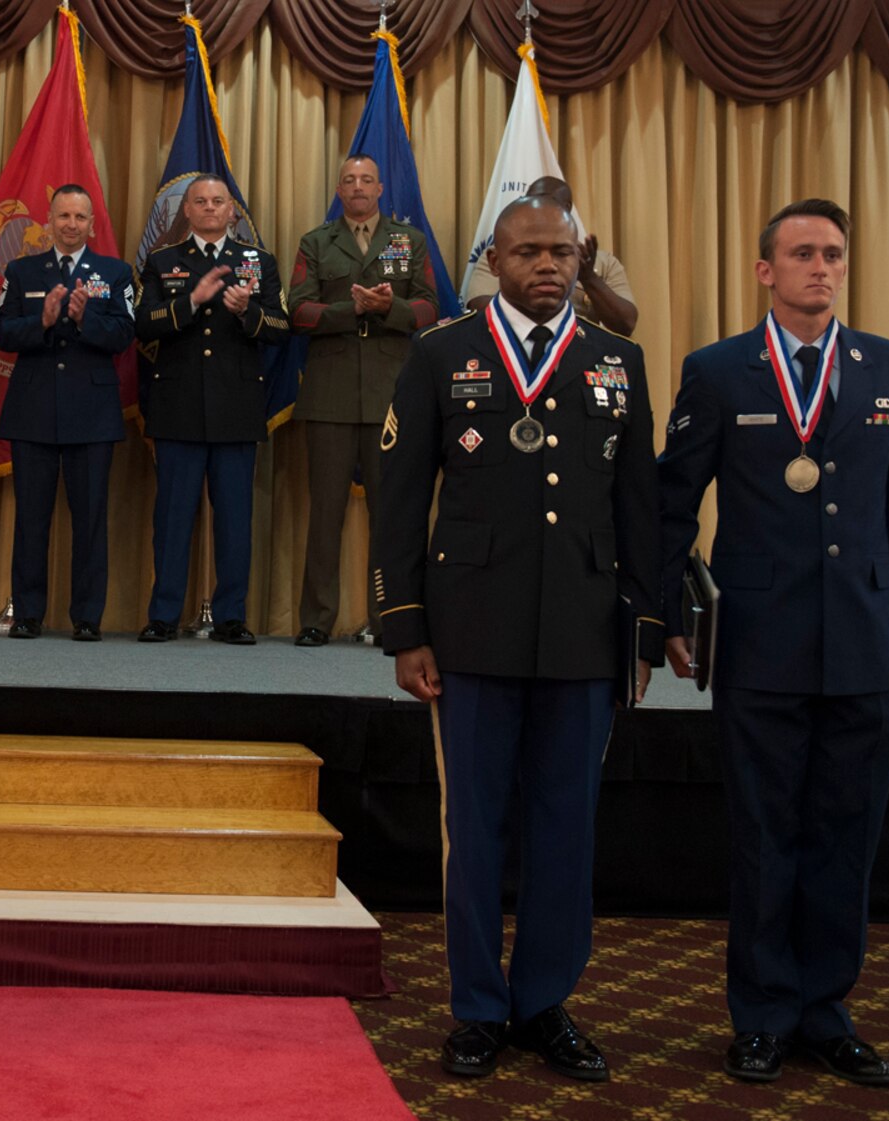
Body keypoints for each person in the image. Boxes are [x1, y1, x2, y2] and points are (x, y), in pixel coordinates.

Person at [374, 195, 661, 1083]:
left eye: (562, 253)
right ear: (492, 260)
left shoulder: (618, 360)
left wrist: (645, 628)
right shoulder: (439, 354)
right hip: (470, 632)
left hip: (582, 632)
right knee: (477, 830)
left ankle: (544, 1002)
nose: (548, 265)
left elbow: (639, 508)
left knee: (566, 826)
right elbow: (396, 499)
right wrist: (403, 628)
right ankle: (478, 1006)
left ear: (581, 262)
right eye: (529, 251)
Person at [657, 198, 889, 1087]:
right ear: (765, 271)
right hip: (761, 642)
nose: (823, 268)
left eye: (835, 255)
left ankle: (827, 1011)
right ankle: (764, 1012)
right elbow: (671, 504)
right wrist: (670, 616)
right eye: (804, 253)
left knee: (848, 835)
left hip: (864, 643)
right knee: (768, 835)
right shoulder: (720, 370)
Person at [288, 154, 439, 647]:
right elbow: (299, 311)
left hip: (390, 396)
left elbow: (430, 309)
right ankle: (316, 620)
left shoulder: (409, 240)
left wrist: (387, 307)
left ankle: (388, 617)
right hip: (329, 395)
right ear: (339, 188)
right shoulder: (316, 241)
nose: (357, 187)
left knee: (391, 515)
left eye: (366, 180)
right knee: (324, 516)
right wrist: (348, 309)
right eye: (349, 180)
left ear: (379, 188)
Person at [133, 175, 288, 645]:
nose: (208, 208)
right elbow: (142, 325)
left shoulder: (258, 262)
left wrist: (247, 312)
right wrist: (191, 301)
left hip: (236, 407)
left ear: (232, 212)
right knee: (173, 518)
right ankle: (163, 616)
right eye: (199, 201)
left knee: (235, 520)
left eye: (217, 201)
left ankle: (230, 618)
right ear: (187, 211)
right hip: (178, 406)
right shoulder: (162, 261)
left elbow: (282, 327)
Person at [0, 184, 135, 641]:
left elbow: (124, 334)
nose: (71, 225)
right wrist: (45, 321)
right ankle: (28, 613)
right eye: (64, 216)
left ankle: (88, 617)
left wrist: (82, 319)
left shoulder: (115, 272)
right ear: (49, 220)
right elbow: (2, 333)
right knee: (31, 518)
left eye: (80, 218)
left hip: (91, 413)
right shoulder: (22, 269)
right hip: (33, 410)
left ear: (93, 224)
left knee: (90, 519)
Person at [465, 176, 637, 337]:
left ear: (567, 207)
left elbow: (625, 324)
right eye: (532, 202)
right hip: (508, 348)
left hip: (579, 349)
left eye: (561, 254)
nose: (539, 208)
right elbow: (479, 307)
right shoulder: (506, 253)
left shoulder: (602, 262)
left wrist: (589, 278)